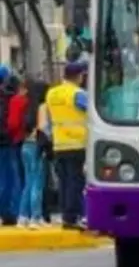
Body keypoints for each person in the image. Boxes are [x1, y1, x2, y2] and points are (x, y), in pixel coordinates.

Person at [46, 61, 89, 230]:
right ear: (79, 76)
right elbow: (92, 111)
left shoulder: (52, 94)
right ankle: (73, 217)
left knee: (64, 183)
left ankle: (66, 216)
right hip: (77, 144)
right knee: (75, 182)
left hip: (58, 144)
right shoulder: (78, 94)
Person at [17, 80, 49, 228]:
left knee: (28, 182)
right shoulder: (42, 106)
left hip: (25, 145)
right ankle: (36, 217)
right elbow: (43, 127)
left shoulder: (27, 105)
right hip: (37, 146)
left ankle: (22, 216)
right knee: (38, 183)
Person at [5, 77, 29, 223]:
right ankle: (25, 212)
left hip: (15, 140)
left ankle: (16, 211)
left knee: (16, 177)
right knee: (27, 177)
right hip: (26, 140)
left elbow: (13, 123)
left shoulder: (16, 101)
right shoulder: (27, 100)